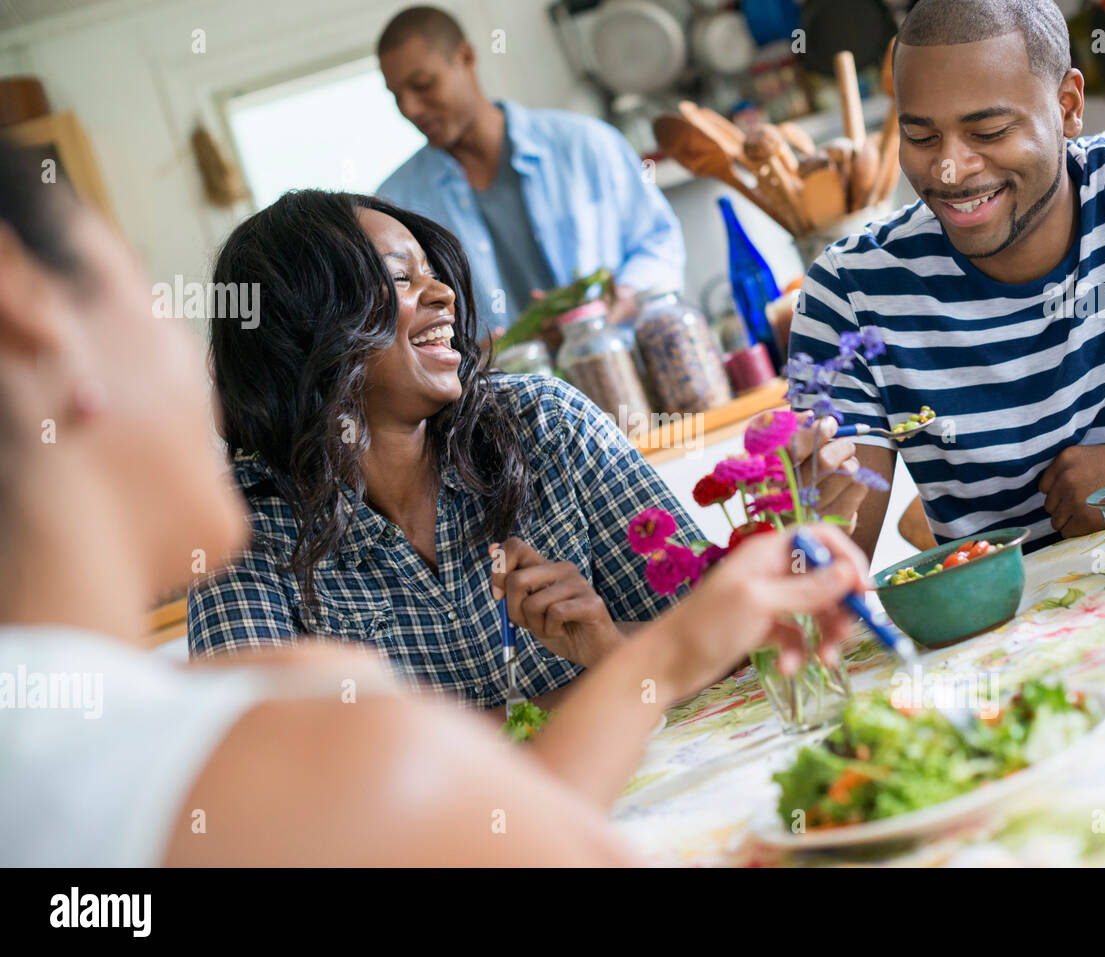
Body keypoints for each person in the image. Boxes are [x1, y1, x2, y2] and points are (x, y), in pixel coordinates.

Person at [0, 136, 871, 865]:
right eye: (149, 302)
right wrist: (654, 662)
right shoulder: (217, 724)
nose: (189, 349)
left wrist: (637, 655)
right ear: (29, 322)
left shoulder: (84, 735)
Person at [789, 0, 1105, 558]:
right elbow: (812, 579)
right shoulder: (849, 294)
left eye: (988, 130)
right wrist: (805, 524)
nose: (950, 170)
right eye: (922, 138)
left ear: (1068, 105)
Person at [186, 190, 699, 707]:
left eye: (433, 272)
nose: (444, 294)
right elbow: (260, 771)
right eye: (402, 277)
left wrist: (609, 648)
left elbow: (730, 632)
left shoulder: (547, 424)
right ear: (303, 329)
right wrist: (593, 697)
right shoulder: (237, 533)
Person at [375, 5, 685, 330]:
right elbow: (401, 321)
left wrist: (625, 295)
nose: (410, 108)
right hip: (501, 380)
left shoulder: (584, 144)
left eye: (423, 84)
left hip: (626, 358)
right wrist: (468, 352)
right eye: (397, 96)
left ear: (466, 57)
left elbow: (658, 238)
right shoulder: (396, 204)